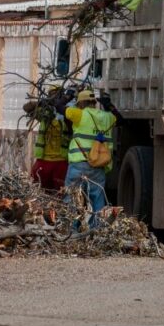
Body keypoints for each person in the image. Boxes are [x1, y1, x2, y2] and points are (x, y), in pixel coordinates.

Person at [63, 89, 119, 227]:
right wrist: (108, 105)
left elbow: (60, 108)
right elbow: (120, 119)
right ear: (94, 102)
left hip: (79, 165)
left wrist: (67, 97)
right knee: (97, 201)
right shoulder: (108, 117)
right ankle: (97, 231)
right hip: (99, 167)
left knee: (73, 199)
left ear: (80, 103)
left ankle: (71, 231)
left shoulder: (79, 114)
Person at [23, 85, 71, 194]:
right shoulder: (45, 114)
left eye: (57, 95)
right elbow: (27, 107)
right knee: (39, 192)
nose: (55, 97)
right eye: (52, 95)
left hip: (61, 161)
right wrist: (42, 102)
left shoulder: (67, 112)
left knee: (61, 193)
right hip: (44, 160)